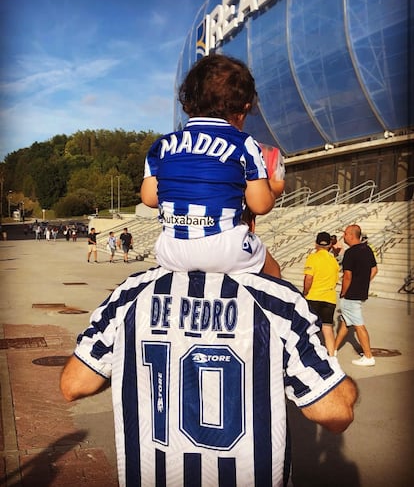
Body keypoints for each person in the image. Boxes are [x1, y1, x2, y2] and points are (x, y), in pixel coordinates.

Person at [60, 267, 358, 487]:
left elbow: (73, 385)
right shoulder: (276, 301)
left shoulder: (129, 294)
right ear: (249, 224)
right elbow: (335, 413)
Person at [140, 54, 285, 278]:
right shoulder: (245, 143)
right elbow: (261, 205)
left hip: (170, 249)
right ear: (244, 109)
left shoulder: (162, 145)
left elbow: (149, 198)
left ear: (188, 104)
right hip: (223, 249)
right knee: (273, 271)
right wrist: (273, 189)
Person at [334, 224, 378, 365]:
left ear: (352, 235)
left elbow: (347, 276)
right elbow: (375, 270)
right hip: (359, 293)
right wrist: (364, 283)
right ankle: (333, 350)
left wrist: (343, 293)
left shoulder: (350, 253)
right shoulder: (367, 249)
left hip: (351, 295)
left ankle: (368, 356)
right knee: (345, 323)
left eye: (345, 234)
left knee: (359, 325)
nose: (344, 236)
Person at [303, 231, 340, 356]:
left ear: (316, 244)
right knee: (327, 328)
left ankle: (309, 355)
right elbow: (336, 280)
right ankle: (332, 355)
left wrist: (305, 292)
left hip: (313, 297)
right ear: (329, 245)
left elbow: (308, 278)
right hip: (329, 298)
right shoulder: (333, 261)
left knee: (309, 328)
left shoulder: (312, 257)